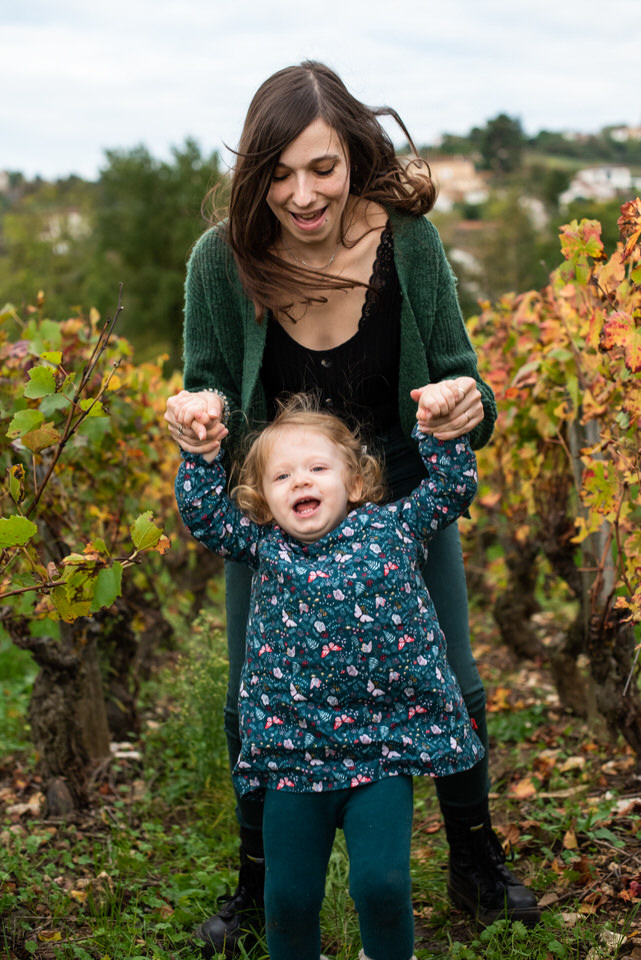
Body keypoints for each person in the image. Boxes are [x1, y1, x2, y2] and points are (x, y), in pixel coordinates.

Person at [166, 60, 540, 957]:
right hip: (279, 517)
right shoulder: (221, 262)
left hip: (398, 502)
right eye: (280, 173)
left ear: (354, 157)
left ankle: (474, 862)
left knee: (449, 675)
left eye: (322, 169)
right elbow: (207, 385)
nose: (302, 194)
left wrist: (463, 404)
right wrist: (199, 418)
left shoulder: (406, 244)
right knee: (249, 694)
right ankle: (258, 883)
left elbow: (464, 374)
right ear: (256, 173)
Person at [176, 392, 485, 960]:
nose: (301, 482)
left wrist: (441, 432)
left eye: (318, 468)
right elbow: (203, 516)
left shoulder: (394, 528)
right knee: (289, 900)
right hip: (292, 754)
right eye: (282, 476)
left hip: (381, 749)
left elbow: (451, 489)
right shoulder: (265, 548)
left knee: (383, 887)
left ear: (356, 482)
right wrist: (200, 456)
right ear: (263, 501)